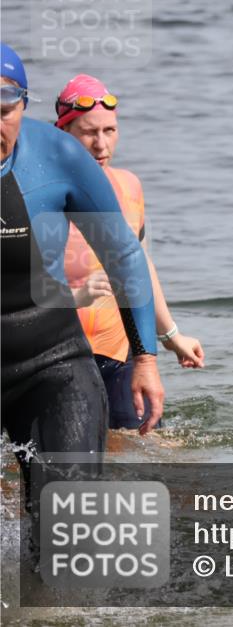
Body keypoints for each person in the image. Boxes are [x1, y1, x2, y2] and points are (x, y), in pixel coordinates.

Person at [1, 43, 164, 548]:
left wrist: (146, 358)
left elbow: (124, 254)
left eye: (3, 109)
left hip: (49, 360)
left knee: (68, 530)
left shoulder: (58, 155)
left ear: (23, 104)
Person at [57, 74, 205, 430]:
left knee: (151, 448)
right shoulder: (41, 194)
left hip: (118, 354)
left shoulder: (128, 186)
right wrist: (74, 296)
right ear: (63, 133)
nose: (101, 145)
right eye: (88, 132)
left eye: (109, 131)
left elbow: (139, 266)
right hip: (56, 356)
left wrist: (171, 336)